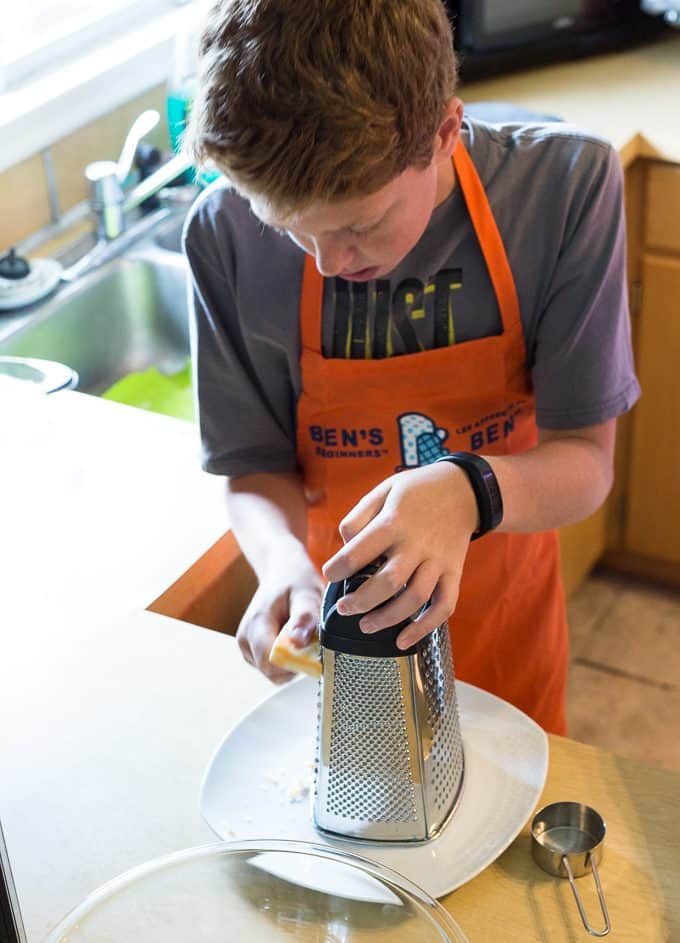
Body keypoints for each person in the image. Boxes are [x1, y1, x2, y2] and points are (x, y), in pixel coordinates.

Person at [182, 0, 640, 735]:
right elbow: (253, 464)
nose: (331, 262)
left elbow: (586, 460)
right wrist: (281, 564)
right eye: (292, 231)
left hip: (505, 636)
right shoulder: (224, 235)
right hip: (347, 652)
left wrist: (466, 491)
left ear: (446, 133)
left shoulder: (565, 188)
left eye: (360, 224)